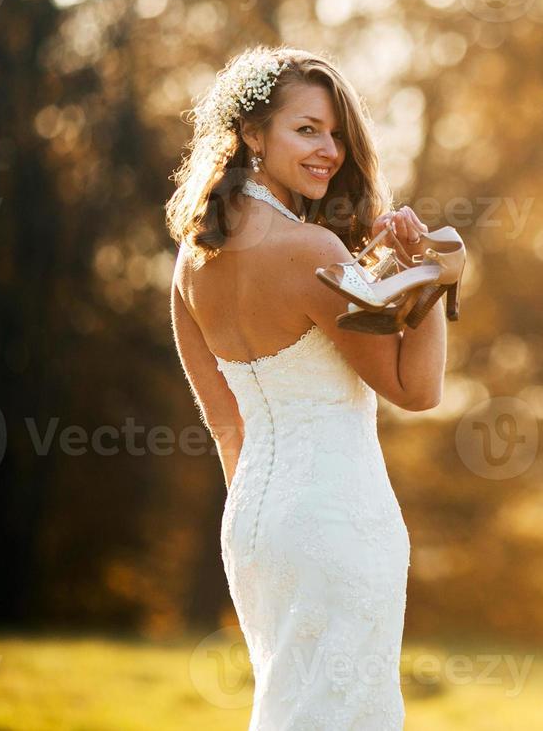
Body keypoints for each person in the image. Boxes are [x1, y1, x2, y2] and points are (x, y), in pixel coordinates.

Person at [165, 45, 448, 729]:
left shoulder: (191, 264)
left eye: (337, 134)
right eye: (307, 129)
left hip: (256, 528)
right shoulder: (312, 253)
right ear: (252, 135)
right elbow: (417, 388)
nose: (330, 150)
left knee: (290, 709)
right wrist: (433, 275)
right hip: (337, 520)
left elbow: (228, 429)